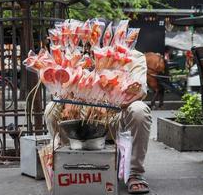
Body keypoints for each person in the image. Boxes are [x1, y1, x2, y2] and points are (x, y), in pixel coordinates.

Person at [44, 50, 152, 194]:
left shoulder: (134, 57)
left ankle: (135, 173)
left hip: (116, 116)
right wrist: (68, 99)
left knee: (140, 110)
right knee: (51, 109)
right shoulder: (77, 51)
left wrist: (108, 103)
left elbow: (139, 91)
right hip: (80, 115)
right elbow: (64, 82)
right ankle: (65, 163)